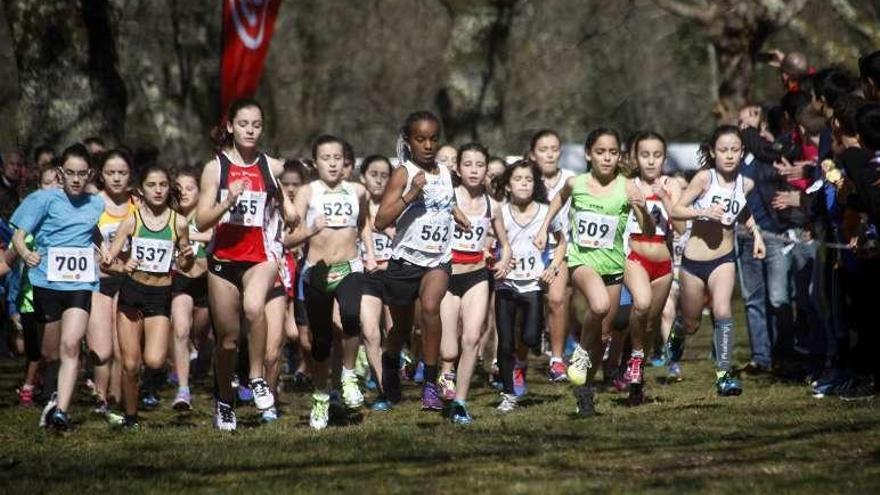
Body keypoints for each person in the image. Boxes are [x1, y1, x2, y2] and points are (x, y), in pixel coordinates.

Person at [196, 98, 297, 431]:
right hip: (224, 258)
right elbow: (201, 220)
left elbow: (282, 191)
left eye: (256, 125)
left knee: (254, 307)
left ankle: (255, 377)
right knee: (227, 341)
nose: (250, 130)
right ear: (230, 127)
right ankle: (225, 401)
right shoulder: (216, 168)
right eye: (243, 124)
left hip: (262, 255)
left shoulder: (272, 166)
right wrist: (228, 200)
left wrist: (289, 206)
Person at [536, 128, 652, 417]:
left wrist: (643, 209)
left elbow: (648, 231)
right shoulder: (577, 183)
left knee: (602, 336)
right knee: (598, 305)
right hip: (581, 262)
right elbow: (557, 200)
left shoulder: (627, 187)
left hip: (612, 266)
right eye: (600, 152)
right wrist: (543, 227)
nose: (607, 158)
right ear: (589, 154)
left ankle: (584, 390)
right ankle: (579, 354)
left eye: (613, 152)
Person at [375, 110, 468, 411]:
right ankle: (390, 363)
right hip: (405, 260)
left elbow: (446, 202)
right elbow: (380, 221)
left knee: (430, 308)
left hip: (438, 258)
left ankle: (430, 383)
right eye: (420, 139)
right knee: (401, 330)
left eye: (433, 139)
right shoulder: (403, 173)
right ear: (409, 141)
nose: (428, 145)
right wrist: (411, 192)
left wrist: (458, 215)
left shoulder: (444, 172)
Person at [11, 143, 105, 430]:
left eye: (82, 174)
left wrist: (105, 249)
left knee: (71, 345)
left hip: (80, 284)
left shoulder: (96, 204)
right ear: (60, 173)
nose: (76, 179)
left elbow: (93, 233)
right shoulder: (42, 200)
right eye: (70, 173)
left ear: (90, 173)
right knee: (51, 353)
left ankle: (62, 410)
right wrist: (27, 254)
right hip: (46, 283)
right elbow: (19, 234)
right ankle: (54, 394)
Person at [669, 125, 766, 396]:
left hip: (723, 259)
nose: (729, 155)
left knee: (722, 312)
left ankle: (724, 376)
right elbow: (676, 211)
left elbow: (743, 209)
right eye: (723, 150)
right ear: (713, 152)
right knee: (691, 324)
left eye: (735, 150)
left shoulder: (746, 183)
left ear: (742, 152)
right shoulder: (704, 178)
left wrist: (756, 234)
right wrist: (703, 212)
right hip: (693, 261)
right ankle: (677, 332)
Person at [287, 135, 374, 429]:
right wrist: (311, 229)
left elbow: (364, 225)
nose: (333, 163)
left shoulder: (358, 191)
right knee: (320, 342)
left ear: (345, 161)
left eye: (337, 158)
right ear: (315, 163)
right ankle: (321, 395)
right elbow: (288, 238)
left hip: (349, 266)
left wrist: (370, 254)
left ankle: (349, 375)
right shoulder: (307, 193)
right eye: (326, 158)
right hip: (317, 271)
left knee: (351, 316)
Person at [103, 165, 194, 429]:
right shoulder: (132, 220)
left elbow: (183, 266)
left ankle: (137, 393)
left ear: (169, 188)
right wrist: (123, 265)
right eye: (152, 185)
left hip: (160, 295)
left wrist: (185, 258)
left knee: (153, 360)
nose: (158, 190)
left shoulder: (179, 222)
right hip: (132, 292)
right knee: (131, 364)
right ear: (141, 189)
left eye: (163, 185)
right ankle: (131, 417)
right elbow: (109, 261)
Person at [438, 143, 512, 424]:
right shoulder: (447, 197)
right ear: (457, 168)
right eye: (467, 164)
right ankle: (446, 372)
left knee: (471, 337)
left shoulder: (493, 205)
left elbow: (505, 243)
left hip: (477, 276)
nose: (473, 170)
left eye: (479, 165)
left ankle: (460, 402)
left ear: (487, 170)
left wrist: (504, 258)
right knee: (449, 347)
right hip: (447, 276)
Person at [493, 159, 564, 412]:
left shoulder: (546, 212)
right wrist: (494, 259)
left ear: (535, 184)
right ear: (509, 186)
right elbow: (488, 242)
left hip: (533, 283)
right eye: (518, 179)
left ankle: (520, 365)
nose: (524, 183)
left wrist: (553, 267)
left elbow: (562, 242)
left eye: (529, 179)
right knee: (505, 343)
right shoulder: (499, 210)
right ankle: (508, 393)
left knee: (531, 337)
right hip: (506, 284)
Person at [620, 131, 683, 405]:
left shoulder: (673, 184)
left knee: (648, 326)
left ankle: (637, 381)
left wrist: (666, 199)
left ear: (664, 158)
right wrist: (640, 206)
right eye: (645, 155)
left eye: (656, 155)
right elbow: (637, 225)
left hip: (663, 263)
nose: (650, 161)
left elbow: (680, 228)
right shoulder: (628, 185)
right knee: (641, 305)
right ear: (636, 157)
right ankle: (634, 359)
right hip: (636, 257)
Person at [88, 149, 136, 422]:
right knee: (102, 349)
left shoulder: (137, 205)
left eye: (122, 173)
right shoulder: (92, 204)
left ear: (130, 175)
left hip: (128, 282)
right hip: (99, 281)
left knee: (121, 348)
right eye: (110, 173)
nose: (116, 178)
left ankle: (115, 399)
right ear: (101, 175)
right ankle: (100, 396)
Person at [11, 164, 60, 408]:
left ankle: (46, 391)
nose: (53, 188)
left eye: (57, 182)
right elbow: (7, 261)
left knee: (54, 350)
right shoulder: (26, 227)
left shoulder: (67, 225)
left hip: (60, 295)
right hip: (29, 296)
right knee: (32, 349)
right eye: (47, 183)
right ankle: (36, 383)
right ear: (38, 188)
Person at [530, 129, 574, 382]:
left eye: (554, 149)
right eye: (543, 149)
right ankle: (514, 358)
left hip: (560, 249)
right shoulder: (524, 177)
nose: (549, 154)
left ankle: (557, 359)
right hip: (527, 252)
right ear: (533, 154)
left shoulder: (570, 179)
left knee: (557, 299)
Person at [169, 166, 213, 411]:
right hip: (181, 281)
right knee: (181, 330)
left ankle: (202, 360)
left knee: (201, 334)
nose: (184, 192)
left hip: (207, 282)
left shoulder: (207, 215)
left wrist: (188, 235)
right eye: (179, 188)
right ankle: (183, 390)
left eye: (190, 188)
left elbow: (213, 234)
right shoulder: (170, 215)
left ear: (200, 190)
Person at [357, 155, 395, 410]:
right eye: (373, 174)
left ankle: (393, 380)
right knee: (370, 333)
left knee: (393, 335)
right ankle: (384, 391)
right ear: (362, 177)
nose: (379, 179)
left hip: (394, 276)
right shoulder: (356, 207)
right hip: (365, 277)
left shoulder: (399, 208)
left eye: (384, 175)